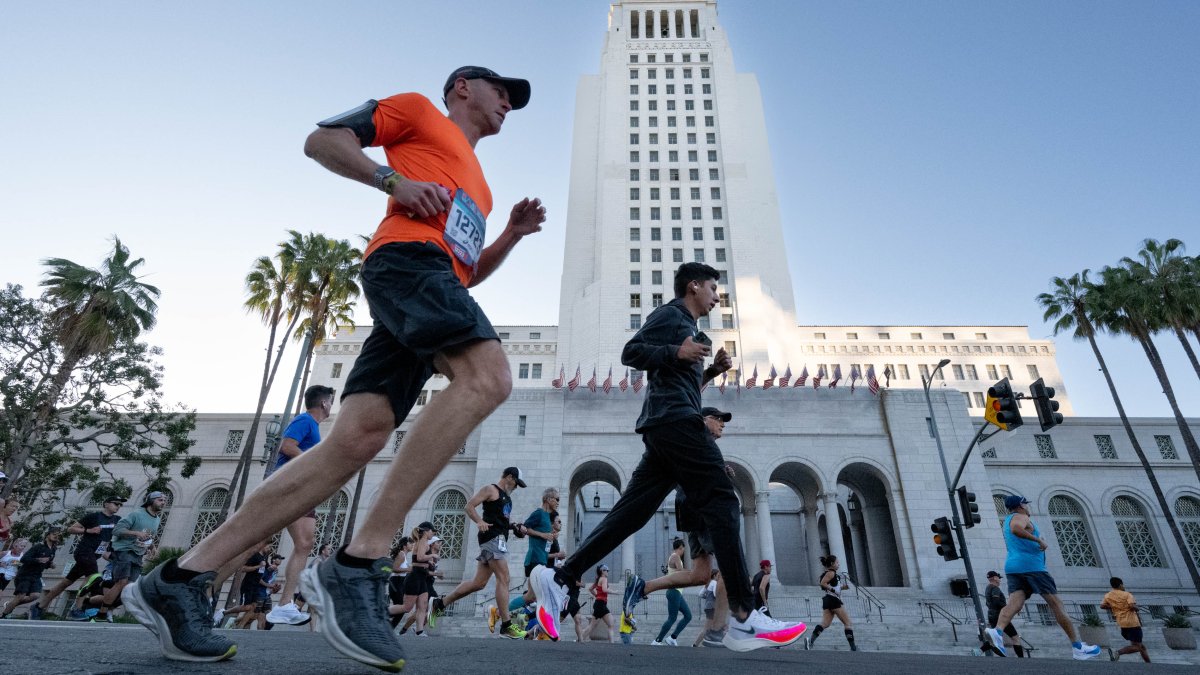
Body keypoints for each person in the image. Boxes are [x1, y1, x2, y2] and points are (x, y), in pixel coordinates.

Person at [123, 65, 543, 670]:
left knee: (355, 439)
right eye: (499, 90)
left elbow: (468, 272)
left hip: (432, 284)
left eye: (513, 98)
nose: (508, 102)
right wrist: (390, 179)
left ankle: (182, 579)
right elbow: (322, 139)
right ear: (461, 89)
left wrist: (510, 235)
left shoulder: (482, 184)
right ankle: (359, 563)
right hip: (405, 264)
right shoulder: (419, 111)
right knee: (490, 378)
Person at [530, 268, 806, 651]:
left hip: (667, 424)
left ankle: (562, 577)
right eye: (713, 288)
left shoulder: (690, 329)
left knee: (629, 513)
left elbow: (680, 383)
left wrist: (709, 370)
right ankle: (744, 615)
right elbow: (632, 353)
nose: (716, 296)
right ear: (693, 286)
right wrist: (677, 350)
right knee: (724, 500)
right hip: (676, 422)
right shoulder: (672, 316)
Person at [625, 407, 736, 649]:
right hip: (703, 508)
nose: (722, 424)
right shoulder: (699, 439)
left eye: (722, 420)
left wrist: (722, 473)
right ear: (703, 420)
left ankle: (643, 586)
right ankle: (717, 631)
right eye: (717, 419)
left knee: (701, 575)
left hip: (692, 509)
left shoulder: (700, 443)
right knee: (730, 567)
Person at [987, 495, 1101, 660]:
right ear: (1020, 505)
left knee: (1014, 604)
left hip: (1013, 567)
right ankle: (1078, 647)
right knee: (1057, 605)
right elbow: (1016, 529)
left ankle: (996, 631)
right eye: (1026, 503)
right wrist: (1038, 540)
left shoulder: (1007, 519)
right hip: (1032, 567)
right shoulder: (1021, 517)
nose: (1028, 506)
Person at [264, 385, 334, 626]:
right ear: (324, 403)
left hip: (300, 489)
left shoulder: (313, 427)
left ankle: (284, 604)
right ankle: (205, 584)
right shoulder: (305, 420)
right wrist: (312, 460)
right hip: (288, 486)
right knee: (255, 542)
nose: (331, 406)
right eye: (331, 401)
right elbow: (287, 446)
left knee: (305, 543)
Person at [430, 468, 528, 639]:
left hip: (498, 539)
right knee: (504, 578)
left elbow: (501, 519)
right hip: (492, 538)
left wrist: (515, 527)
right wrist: (479, 521)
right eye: (516, 483)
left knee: (478, 583)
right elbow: (469, 506)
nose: (516, 487)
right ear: (509, 477)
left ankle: (440, 603)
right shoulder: (491, 489)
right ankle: (506, 625)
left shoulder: (506, 497)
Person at [36, 495, 125, 617]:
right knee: (93, 577)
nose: (118, 506)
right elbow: (71, 529)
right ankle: (77, 609)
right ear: (106, 504)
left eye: (120, 505)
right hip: (84, 552)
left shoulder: (118, 520)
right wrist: (88, 530)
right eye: (116, 503)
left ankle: (39, 606)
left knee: (66, 582)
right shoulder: (94, 517)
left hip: (96, 555)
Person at [99, 491, 164, 622]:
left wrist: (152, 548)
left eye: (164, 500)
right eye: (160, 500)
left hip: (138, 554)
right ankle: (101, 613)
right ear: (151, 501)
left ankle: (104, 608)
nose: (163, 502)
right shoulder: (136, 514)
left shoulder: (157, 519)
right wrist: (136, 533)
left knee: (130, 588)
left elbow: (147, 536)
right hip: (124, 551)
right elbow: (116, 530)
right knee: (121, 582)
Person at [506, 488, 560, 620]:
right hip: (534, 559)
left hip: (541, 559)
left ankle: (501, 613)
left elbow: (543, 536)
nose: (559, 502)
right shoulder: (539, 513)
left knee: (532, 596)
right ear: (548, 499)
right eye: (557, 499)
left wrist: (551, 536)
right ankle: (503, 613)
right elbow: (525, 528)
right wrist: (543, 535)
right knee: (537, 595)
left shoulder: (547, 517)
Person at [0, 526, 61, 619]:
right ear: (48, 535)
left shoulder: (53, 549)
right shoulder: (38, 547)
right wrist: (38, 560)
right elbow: (24, 559)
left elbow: (47, 562)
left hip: (36, 575)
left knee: (35, 595)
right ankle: (4, 615)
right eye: (54, 534)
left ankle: (10, 605)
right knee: (21, 595)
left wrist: (50, 565)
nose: (56, 536)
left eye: (58, 535)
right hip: (25, 574)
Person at [387, 524, 436, 635]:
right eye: (432, 531)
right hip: (411, 578)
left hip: (421, 577)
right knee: (407, 607)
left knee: (423, 606)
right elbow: (419, 558)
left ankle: (419, 631)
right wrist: (432, 556)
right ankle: (382, 613)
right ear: (426, 531)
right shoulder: (422, 542)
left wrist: (429, 563)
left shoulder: (422, 543)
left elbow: (419, 561)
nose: (433, 533)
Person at [804, 554, 856, 651]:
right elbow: (823, 583)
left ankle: (810, 642)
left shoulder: (832, 574)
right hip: (833, 599)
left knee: (825, 624)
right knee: (848, 623)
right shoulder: (831, 573)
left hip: (828, 600)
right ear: (832, 563)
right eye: (837, 562)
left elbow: (835, 587)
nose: (838, 564)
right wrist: (833, 590)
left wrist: (844, 587)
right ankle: (853, 647)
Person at [217, 541, 272, 628]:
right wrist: (258, 566)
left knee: (254, 607)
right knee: (247, 607)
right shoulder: (255, 556)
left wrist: (272, 568)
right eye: (268, 546)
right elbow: (243, 569)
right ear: (263, 546)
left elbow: (266, 568)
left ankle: (238, 624)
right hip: (248, 584)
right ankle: (224, 612)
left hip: (256, 586)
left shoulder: (265, 557)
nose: (270, 549)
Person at [651, 539, 692, 646]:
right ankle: (657, 640)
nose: (684, 551)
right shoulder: (675, 556)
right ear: (681, 548)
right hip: (674, 591)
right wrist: (693, 573)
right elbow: (680, 571)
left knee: (688, 616)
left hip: (676, 591)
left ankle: (672, 637)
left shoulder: (673, 556)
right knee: (672, 618)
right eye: (683, 549)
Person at [1101, 577, 1150, 663]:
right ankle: (1117, 652)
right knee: (1138, 647)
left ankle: (1149, 664)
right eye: (1123, 585)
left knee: (1141, 646)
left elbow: (1102, 606)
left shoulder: (1108, 595)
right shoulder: (1127, 594)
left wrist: (1113, 606)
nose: (1124, 586)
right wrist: (1137, 608)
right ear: (1120, 585)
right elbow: (1132, 606)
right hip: (1132, 623)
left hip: (1122, 623)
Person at [982, 571, 1024, 657]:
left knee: (994, 638)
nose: (1000, 580)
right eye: (999, 578)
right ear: (995, 578)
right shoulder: (995, 588)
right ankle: (1022, 660)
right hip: (1000, 616)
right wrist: (1010, 608)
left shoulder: (987, 588)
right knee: (1015, 638)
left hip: (991, 615)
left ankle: (979, 651)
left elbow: (988, 603)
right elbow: (996, 602)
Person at [238, 554, 284, 630]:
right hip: (259, 593)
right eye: (278, 560)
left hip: (267, 595)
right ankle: (239, 624)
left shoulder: (275, 571)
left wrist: (275, 588)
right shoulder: (267, 568)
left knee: (264, 614)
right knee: (253, 612)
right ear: (273, 560)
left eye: (280, 560)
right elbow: (258, 579)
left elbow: (270, 582)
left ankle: (260, 629)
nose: (280, 561)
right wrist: (269, 585)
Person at [582, 565, 614, 642]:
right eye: (607, 570)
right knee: (593, 626)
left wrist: (597, 595)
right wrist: (614, 592)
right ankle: (580, 639)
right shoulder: (604, 579)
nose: (608, 572)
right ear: (602, 571)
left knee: (610, 625)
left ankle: (580, 639)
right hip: (601, 604)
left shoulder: (599, 579)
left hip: (600, 604)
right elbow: (604, 589)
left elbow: (590, 589)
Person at [386, 537, 412, 627]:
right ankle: (381, 616)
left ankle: (388, 628)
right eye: (410, 543)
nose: (412, 545)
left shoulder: (404, 556)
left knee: (402, 608)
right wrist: (408, 569)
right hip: (395, 583)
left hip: (400, 584)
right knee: (402, 608)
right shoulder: (401, 554)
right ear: (405, 546)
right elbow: (394, 569)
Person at [693, 570, 720, 647]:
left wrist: (708, 597)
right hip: (712, 607)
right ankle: (695, 644)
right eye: (718, 575)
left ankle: (712, 641)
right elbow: (715, 594)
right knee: (707, 627)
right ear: (714, 576)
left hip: (708, 607)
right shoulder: (714, 583)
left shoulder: (708, 584)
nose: (719, 577)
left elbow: (701, 594)